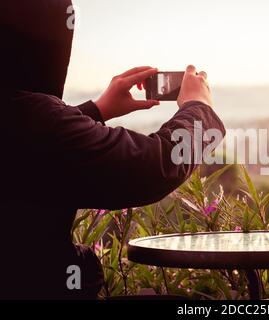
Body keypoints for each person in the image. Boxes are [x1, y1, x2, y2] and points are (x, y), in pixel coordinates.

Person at [0, 0, 225, 299]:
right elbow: (151, 166)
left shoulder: (24, 118)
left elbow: (35, 149)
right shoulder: (34, 120)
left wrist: (96, 110)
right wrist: (200, 109)